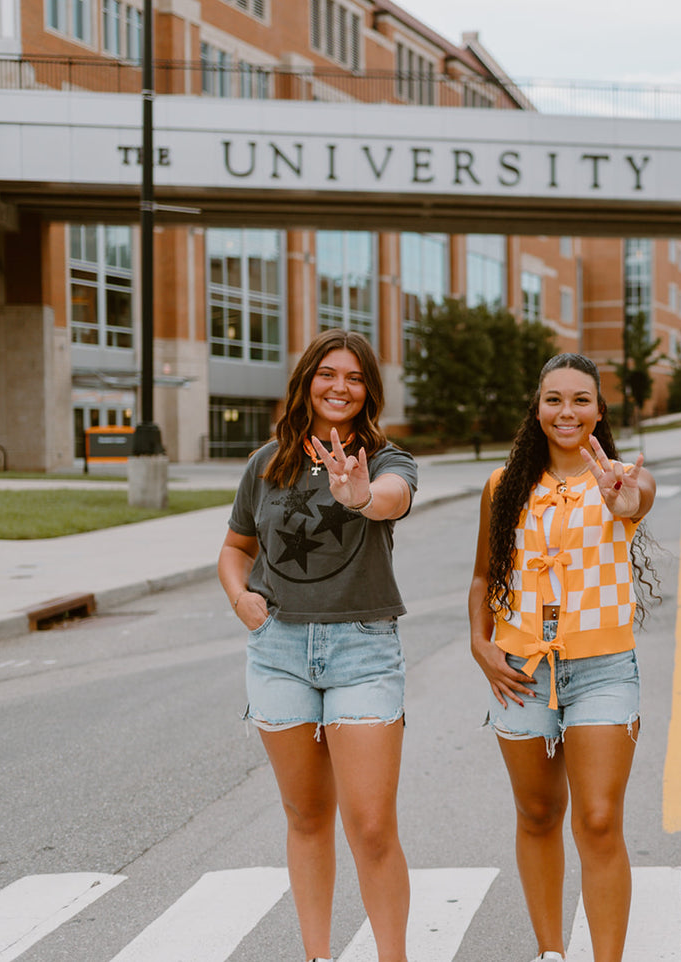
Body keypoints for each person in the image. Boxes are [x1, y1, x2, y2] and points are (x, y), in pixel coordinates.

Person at [218, 328, 417, 962]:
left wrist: (357, 494)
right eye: (328, 373)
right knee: (305, 818)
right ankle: (317, 955)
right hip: (278, 650)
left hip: (362, 648)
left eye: (355, 378)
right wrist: (239, 597)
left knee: (371, 825)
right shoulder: (266, 462)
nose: (340, 386)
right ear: (307, 380)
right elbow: (234, 548)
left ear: (369, 392)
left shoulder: (386, 458)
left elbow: (390, 500)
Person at [468, 353, 658, 962]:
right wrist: (480, 643)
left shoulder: (624, 477)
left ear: (600, 411)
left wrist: (621, 497)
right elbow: (481, 577)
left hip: (601, 668)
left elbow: (635, 504)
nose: (566, 411)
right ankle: (550, 951)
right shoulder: (503, 486)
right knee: (538, 811)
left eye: (581, 399)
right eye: (554, 399)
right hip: (521, 671)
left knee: (598, 820)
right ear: (538, 407)